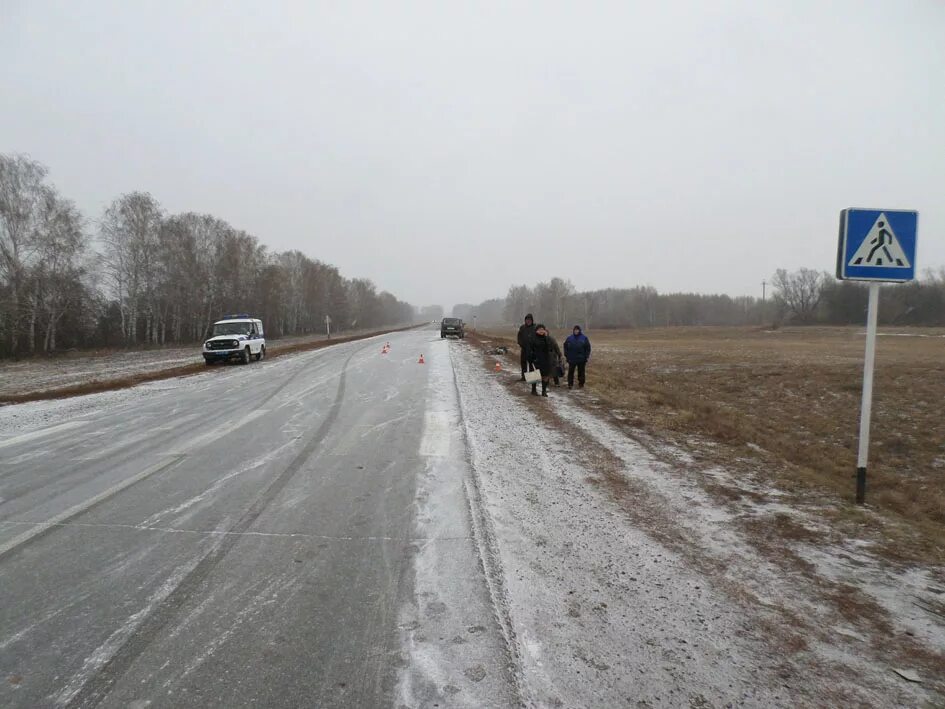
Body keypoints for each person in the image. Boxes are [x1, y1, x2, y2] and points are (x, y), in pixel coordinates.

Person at [529, 324, 555, 397]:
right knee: (534, 375)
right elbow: (529, 349)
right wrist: (530, 358)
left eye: (542, 329)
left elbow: (550, 348)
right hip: (536, 359)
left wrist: (546, 338)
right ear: (536, 330)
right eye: (539, 329)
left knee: (545, 375)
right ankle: (533, 390)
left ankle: (544, 391)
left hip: (546, 359)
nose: (541, 331)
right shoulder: (532, 338)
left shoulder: (547, 338)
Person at [563, 325, 591, 389]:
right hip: (572, 358)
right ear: (573, 330)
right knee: (571, 372)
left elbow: (588, 348)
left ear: (579, 330)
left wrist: (586, 356)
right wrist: (566, 355)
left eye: (577, 330)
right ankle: (570, 384)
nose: (576, 331)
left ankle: (581, 384)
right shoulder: (569, 338)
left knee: (581, 372)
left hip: (581, 358)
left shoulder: (584, 338)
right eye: (575, 330)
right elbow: (565, 346)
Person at [517, 313, 537, 381]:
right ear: (525, 320)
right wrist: (520, 344)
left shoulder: (535, 327)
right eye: (527, 320)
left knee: (532, 364)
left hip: (532, 350)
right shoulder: (522, 327)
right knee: (523, 363)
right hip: (524, 349)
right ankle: (524, 377)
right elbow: (519, 336)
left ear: (532, 320)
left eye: (530, 320)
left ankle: (533, 379)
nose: (528, 321)